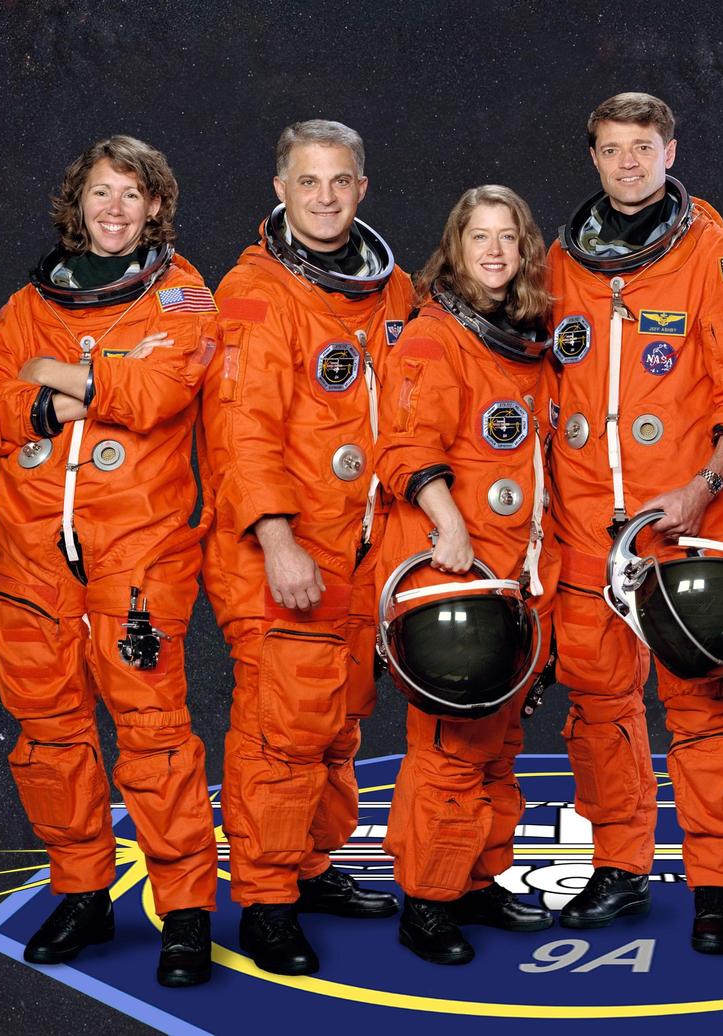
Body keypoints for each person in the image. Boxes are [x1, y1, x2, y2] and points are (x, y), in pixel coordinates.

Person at [0, 135, 219, 987]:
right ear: (80, 205)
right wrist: (73, 379)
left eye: (131, 196)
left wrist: (51, 371)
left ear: (154, 209)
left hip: (137, 552)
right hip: (32, 556)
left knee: (151, 735)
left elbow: (158, 393)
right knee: (51, 734)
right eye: (101, 194)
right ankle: (82, 888)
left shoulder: (182, 298)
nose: (114, 210)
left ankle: (183, 907)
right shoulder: (28, 301)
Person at [200, 119, 413, 975]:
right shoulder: (253, 293)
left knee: (334, 728)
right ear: (280, 190)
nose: (324, 199)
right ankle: (263, 898)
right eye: (308, 182)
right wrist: (278, 540)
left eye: (339, 182)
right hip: (284, 552)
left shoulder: (390, 291)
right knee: (278, 736)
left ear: (361, 189)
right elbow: (239, 432)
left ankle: (312, 866)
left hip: (361, 550)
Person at [546, 92, 723, 953]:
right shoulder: (560, 262)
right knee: (601, 711)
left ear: (672, 150)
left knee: (702, 714)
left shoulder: (721, 256)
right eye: (611, 149)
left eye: (644, 147)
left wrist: (704, 487)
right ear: (592, 157)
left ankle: (716, 888)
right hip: (585, 525)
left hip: (683, 523)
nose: (628, 163)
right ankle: (622, 868)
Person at [373, 185, 559, 965]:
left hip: (511, 572)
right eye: (478, 237)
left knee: (499, 743)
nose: (492, 251)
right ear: (454, 248)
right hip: (451, 567)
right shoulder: (432, 338)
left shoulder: (523, 343)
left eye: (507, 238)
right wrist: (447, 519)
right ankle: (427, 900)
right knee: (450, 751)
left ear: (523, 252)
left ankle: (479, 878)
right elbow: (404, 446)